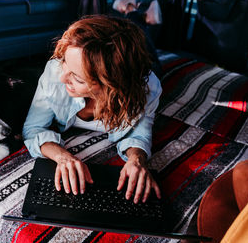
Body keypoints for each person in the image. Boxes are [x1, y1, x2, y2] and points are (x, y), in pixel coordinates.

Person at [22, 15, 162, 204]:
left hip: (139, 70)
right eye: (64, 61)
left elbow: (139, 134)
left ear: (110, 85)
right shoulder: (54, 73)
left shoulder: (149, 89)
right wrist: (63, 157)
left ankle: (137, 17)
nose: (63, 78)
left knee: (152, 56)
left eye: (78, 78)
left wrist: (136, 160)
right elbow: (33, 129)